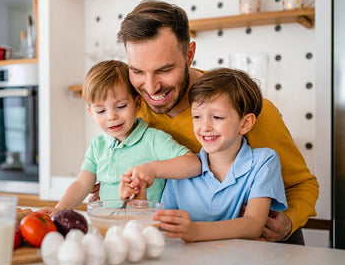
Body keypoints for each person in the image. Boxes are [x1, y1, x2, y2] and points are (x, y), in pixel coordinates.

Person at [116, 0, 318, 244]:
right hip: (186, 249)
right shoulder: (134, 111)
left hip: (261, 250)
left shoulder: (248, 110)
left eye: (164, 70)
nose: (150, 87)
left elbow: (302, 184)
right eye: (137, 71)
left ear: (189, 54)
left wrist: (287, 222)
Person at [122, 68, 288, 242]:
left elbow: (253, 225)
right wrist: (141, 205)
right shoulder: (181, 170)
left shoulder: (264, 162)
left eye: (217, 117)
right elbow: (164, 226)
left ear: (245, 123)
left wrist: (194, 231)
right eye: (197, 116)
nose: (205, 127)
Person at [38, 60, 201, 215]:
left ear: (137, 104)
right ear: (91, 113)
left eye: (121, 106)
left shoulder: (153, 139)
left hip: (146, 227)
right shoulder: (97, 146)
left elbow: (193, 164)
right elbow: (82, 183)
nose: (111, 117)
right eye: (101, 111)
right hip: (108, 224)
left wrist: (153, 169)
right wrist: (60, 209)